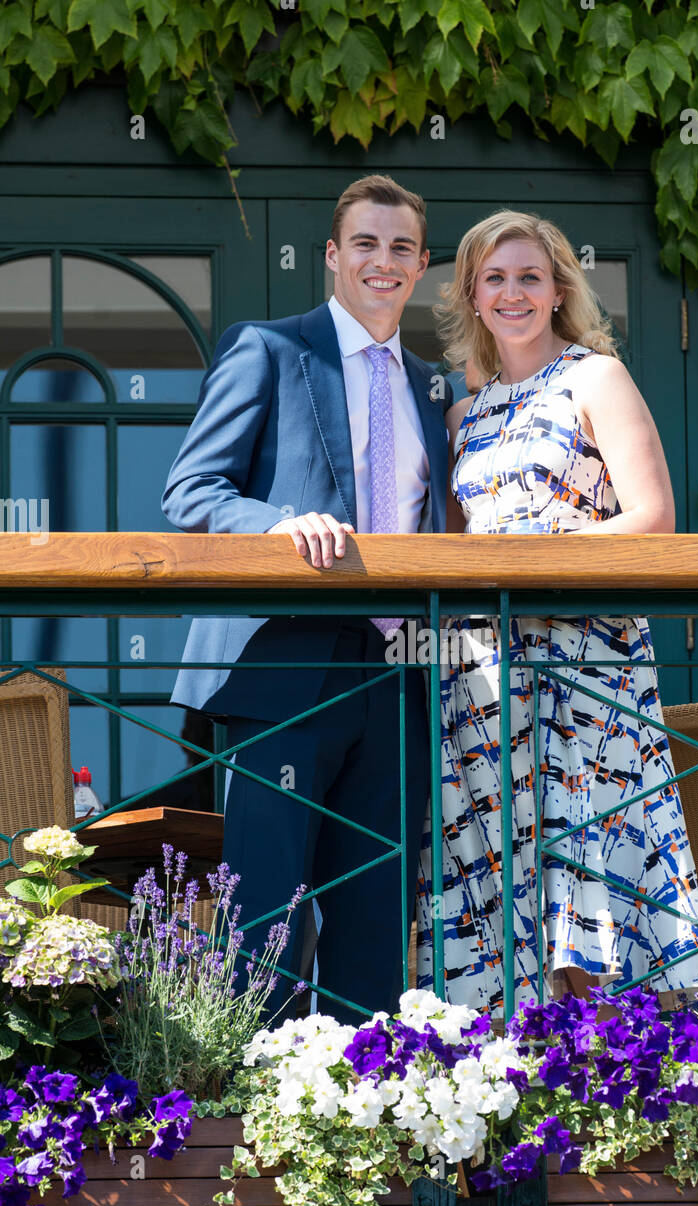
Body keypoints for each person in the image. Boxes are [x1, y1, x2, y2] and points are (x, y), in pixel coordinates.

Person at [161, 174, 450, 1025]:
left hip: (399, 677)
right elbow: (191, 491)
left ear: (422, 264)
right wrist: (283, 525)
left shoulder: (434, 389)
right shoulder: (270, 348)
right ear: (332, 255)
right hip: (281, 667)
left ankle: (358, 1134)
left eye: (401, 248)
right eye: (364, 243)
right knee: (263, 924)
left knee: (376, 921)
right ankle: (247, 1129)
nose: (382, 261)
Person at [414, 210, 698, 1020]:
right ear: (472, 297)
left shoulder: (596, 378)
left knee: (591, 862)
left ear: (557, 293)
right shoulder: (460, 417)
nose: (512, 293)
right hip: (482, 679)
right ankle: (523, 1090)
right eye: (495, 279)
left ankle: (635, 1087)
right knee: (502, 874)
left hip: (585, 664)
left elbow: (653, 520)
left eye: (530, 278)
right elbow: (453, 549)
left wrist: (539, 559)